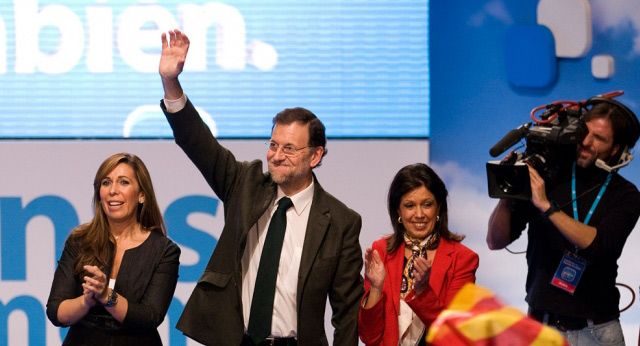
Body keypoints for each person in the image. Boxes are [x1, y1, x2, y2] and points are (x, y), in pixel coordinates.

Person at [158, 29, 364, 346]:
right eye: (272, 144)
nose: (276, 156)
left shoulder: (340, 222)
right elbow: (198, 143)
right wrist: (171, 83)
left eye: (290, 148)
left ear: (316, 155)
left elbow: (347, 313)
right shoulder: (245, 183)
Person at [487, 98, 640, 346]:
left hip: (597, 332)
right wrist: (510, 192)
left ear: (616, 149)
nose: (586, 143)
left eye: (599, 139)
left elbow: (599, 244)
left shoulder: (626, 195)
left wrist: (547, 207)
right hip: (539, 328)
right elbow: (495, 241)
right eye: (584, 133)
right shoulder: (549, 175)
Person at [46, 153, 181, 345]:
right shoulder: (79, 241)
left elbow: (150, 317)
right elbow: (56, 311)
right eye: (106, 183)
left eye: (123, 182)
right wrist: (86, 302)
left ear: (142, 194)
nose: (113, 190)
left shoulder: (164, 251)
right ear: (99, 194)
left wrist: (106, 296)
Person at [358, 163, 479, 346]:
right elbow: (369, 337)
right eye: (410, 206)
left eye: (427, 204)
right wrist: (375, 288)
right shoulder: (381, 251)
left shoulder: (462, 259)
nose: (419, 214)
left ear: (438, 208)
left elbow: (452, 336)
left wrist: (423, 292)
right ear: (398, 210)